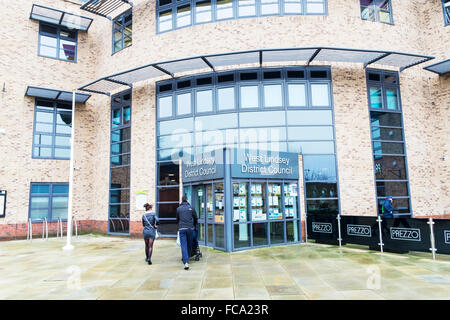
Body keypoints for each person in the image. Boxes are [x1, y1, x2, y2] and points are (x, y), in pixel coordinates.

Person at [176, 195, 198, 270]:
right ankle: (187, 258)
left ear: (182, 200)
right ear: (187, 200)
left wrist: (179, 225)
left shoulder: (178, 209)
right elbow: (195, 218)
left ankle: (185, 261)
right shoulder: (191, 208)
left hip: (182, 228)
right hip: (190, 228)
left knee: (183, 245)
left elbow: (177, 219)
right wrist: (194, 225)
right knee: (189, 244)